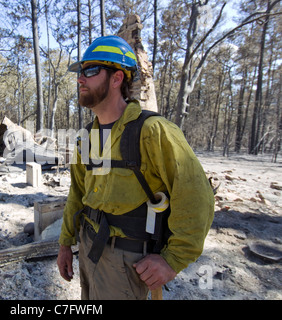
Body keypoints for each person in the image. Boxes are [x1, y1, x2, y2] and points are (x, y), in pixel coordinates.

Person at [57, 35, 215, 300]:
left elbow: (197, 198)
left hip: (128, 263)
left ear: (117, 78)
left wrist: (172, 260)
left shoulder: (153, 131)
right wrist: (65, 242)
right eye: (80, 72)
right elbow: (77, 192)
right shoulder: (85, 137)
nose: (80, 79)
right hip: (88, 249)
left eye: (90, 70)